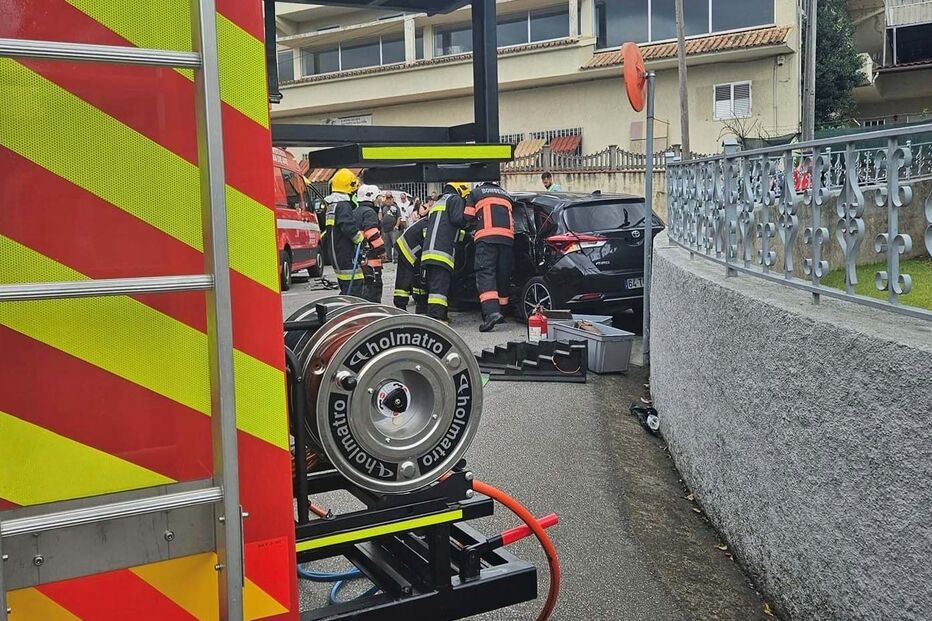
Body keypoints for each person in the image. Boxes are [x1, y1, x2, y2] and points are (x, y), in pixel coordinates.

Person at [465, 181, 515, 332]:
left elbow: (467, 216)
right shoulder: (507, 195)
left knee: (486, 273)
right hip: (507, 239)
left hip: (486, 238)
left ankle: (491, 313)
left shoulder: (476, 193)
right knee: (503, 275)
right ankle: (502, 312)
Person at [421, 181, 471, 322]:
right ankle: (437, 318)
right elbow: (457, 220)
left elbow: (445, 228)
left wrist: (467, 236)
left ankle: (435, 315)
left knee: (434, 286)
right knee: (439, 289)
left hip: (429, 250)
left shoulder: (437, 203)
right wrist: (468, 222)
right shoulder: (455, 199)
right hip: (442, 252)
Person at [324, 168, 365, 294]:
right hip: (345, 253)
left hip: (336, 253)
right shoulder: (343, 205)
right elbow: (347, 226)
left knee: (346, 287)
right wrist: (360, 238)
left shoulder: (332, 205)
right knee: (355, 287)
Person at [353, 184, 386, 302]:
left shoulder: (356, 211)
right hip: (371, 261)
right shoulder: (369, 212)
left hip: (360, 260)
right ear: (371, 197)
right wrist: (382, 251)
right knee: (374, 291)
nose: (380, 200)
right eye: (378, 197)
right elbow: (371, 233)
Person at [393, 212, 429, 313]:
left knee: (417, 275)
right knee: (404, 278)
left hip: (411, 247)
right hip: (407, 248)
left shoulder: (428, 220)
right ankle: (400, 306)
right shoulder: (429, 224)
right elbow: (428, 241)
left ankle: (420, 304)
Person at [380, 192, 401, 263]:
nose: (388, 200)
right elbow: (380, 217)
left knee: (395, 243)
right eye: (387, 199)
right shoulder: (383, 207)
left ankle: (396, 258)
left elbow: (399, 217)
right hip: (385, 229)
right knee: (386, 244)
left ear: (392, 199)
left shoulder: (396, 207)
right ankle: (389, 258)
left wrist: (397, 225)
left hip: (393, 229)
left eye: (390, 199)